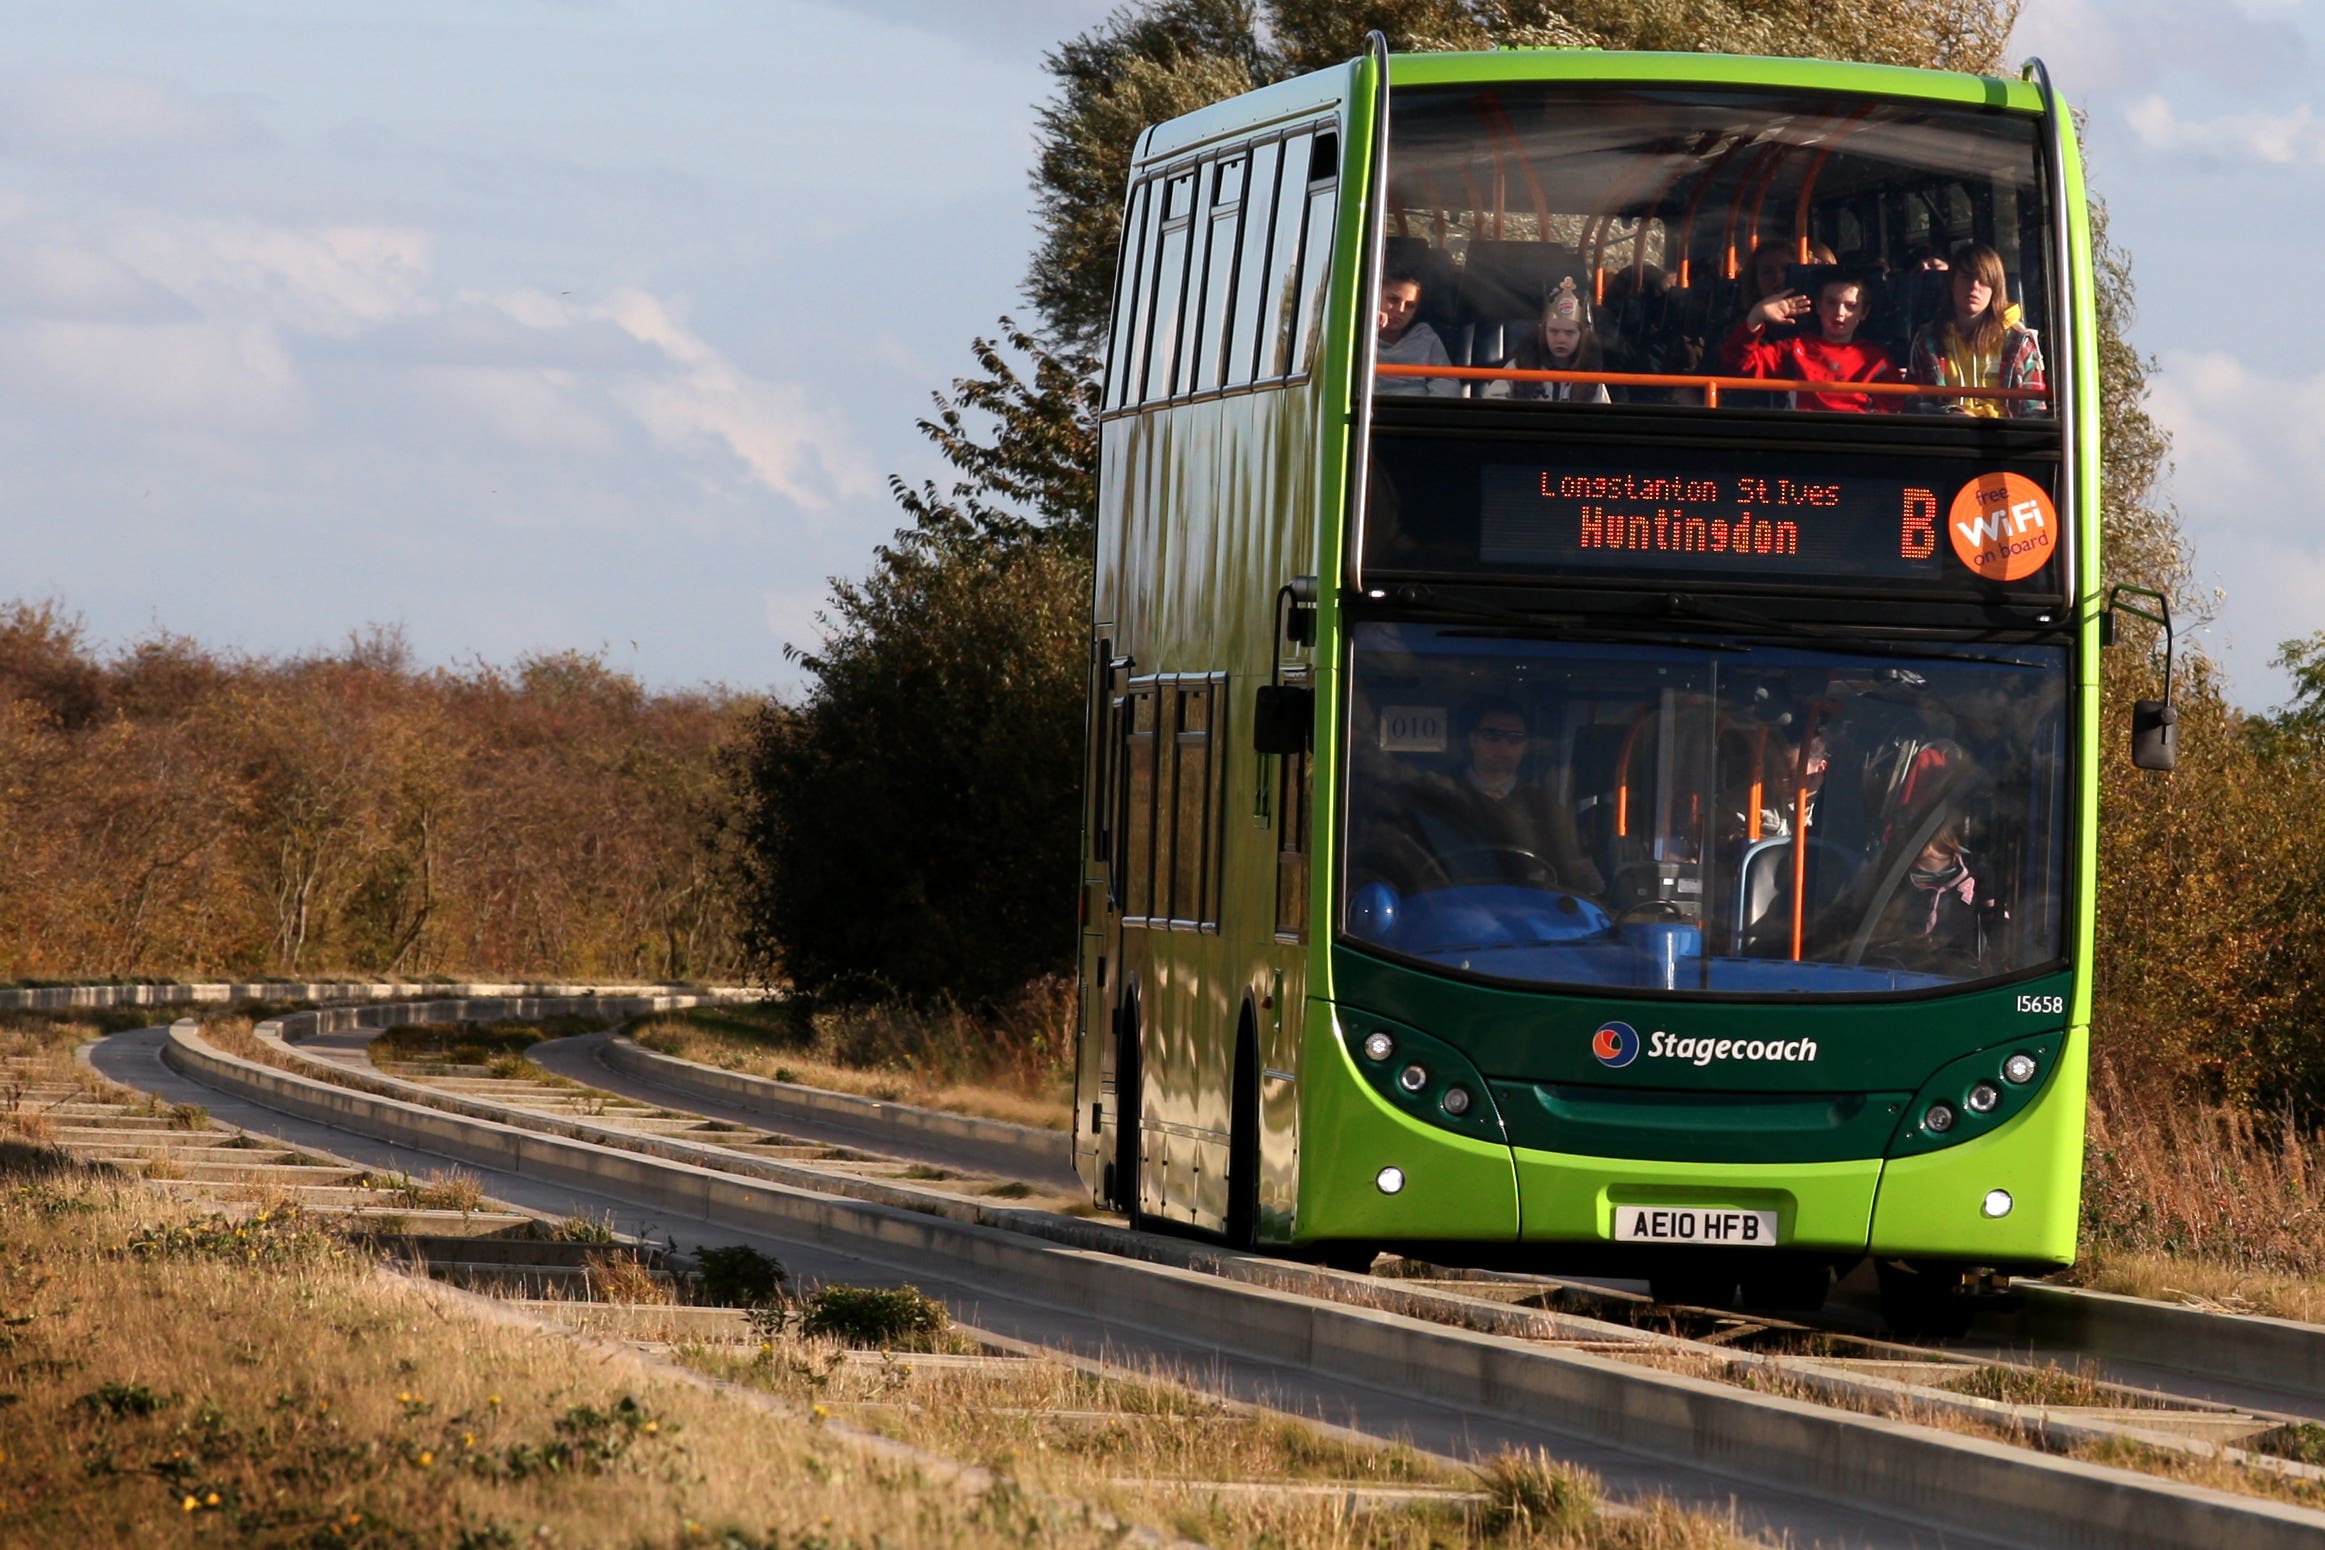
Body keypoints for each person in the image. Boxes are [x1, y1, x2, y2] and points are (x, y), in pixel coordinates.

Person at [1394, 699, 1604, 895]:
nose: (1503, 747)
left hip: (1529, 920)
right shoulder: (1436, 800)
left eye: (1514, 738)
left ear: (1525, 746)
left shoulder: (1545, 808)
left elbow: (1581, 884)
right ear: (1472, 739)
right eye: (1492, 735)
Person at [1720, 269, 1900, 413]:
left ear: (1864, 312)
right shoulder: (1796, 348)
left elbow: (1891, 409)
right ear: (1818, 306)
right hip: (1805, 436)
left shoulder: (1877, 360)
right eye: (1831, 303)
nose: (1839, 313)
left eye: (1850, 306)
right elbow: (1740, 365)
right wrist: (1756, 316)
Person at [1905, 243, 2047, 417]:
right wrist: (1950, 416)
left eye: (1984, 281)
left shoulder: (2020, 342)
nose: (1974, 286)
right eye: (1966, 277)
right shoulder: (1927, 340)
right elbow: (1914, 405)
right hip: (1945, 437)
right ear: (1951, 284)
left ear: (1995, 289)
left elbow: (2034, 409)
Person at [1484, 277, 1609, 403]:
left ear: (1582, 335)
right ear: (1543, 331)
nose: (1561, 339)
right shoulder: (1520, 367)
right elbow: (1492, 403)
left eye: (1569, 333)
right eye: (1553, 331)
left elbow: (1603, 416)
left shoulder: (1591, 377)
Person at [1374, 263, 1459, 397]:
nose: (1401, 310)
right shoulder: (1353, 334)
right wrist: (1369, 329)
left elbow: (1446, 381)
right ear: (1375, 297)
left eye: (1410, 305)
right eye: (1393, 300)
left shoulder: (1424, 338)